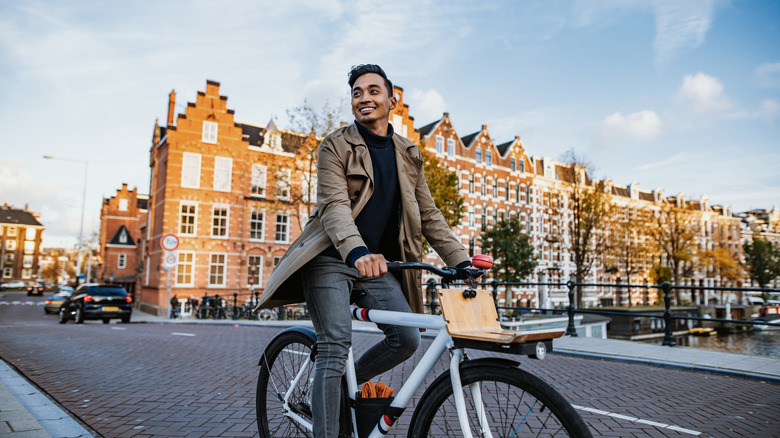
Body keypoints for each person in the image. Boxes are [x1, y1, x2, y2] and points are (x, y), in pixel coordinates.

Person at [257, 64, 471, 437]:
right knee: (335, 345)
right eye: (357, 93)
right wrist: (357, 252)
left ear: (392, 99)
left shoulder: (409, 153)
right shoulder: (335, 146)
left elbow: (428, 213)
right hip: (332, 257)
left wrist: (461, 260)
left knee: (406, 339)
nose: (364, 98)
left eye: (373, 91)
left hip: (377, 264)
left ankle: (336, 382)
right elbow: (335, 208)